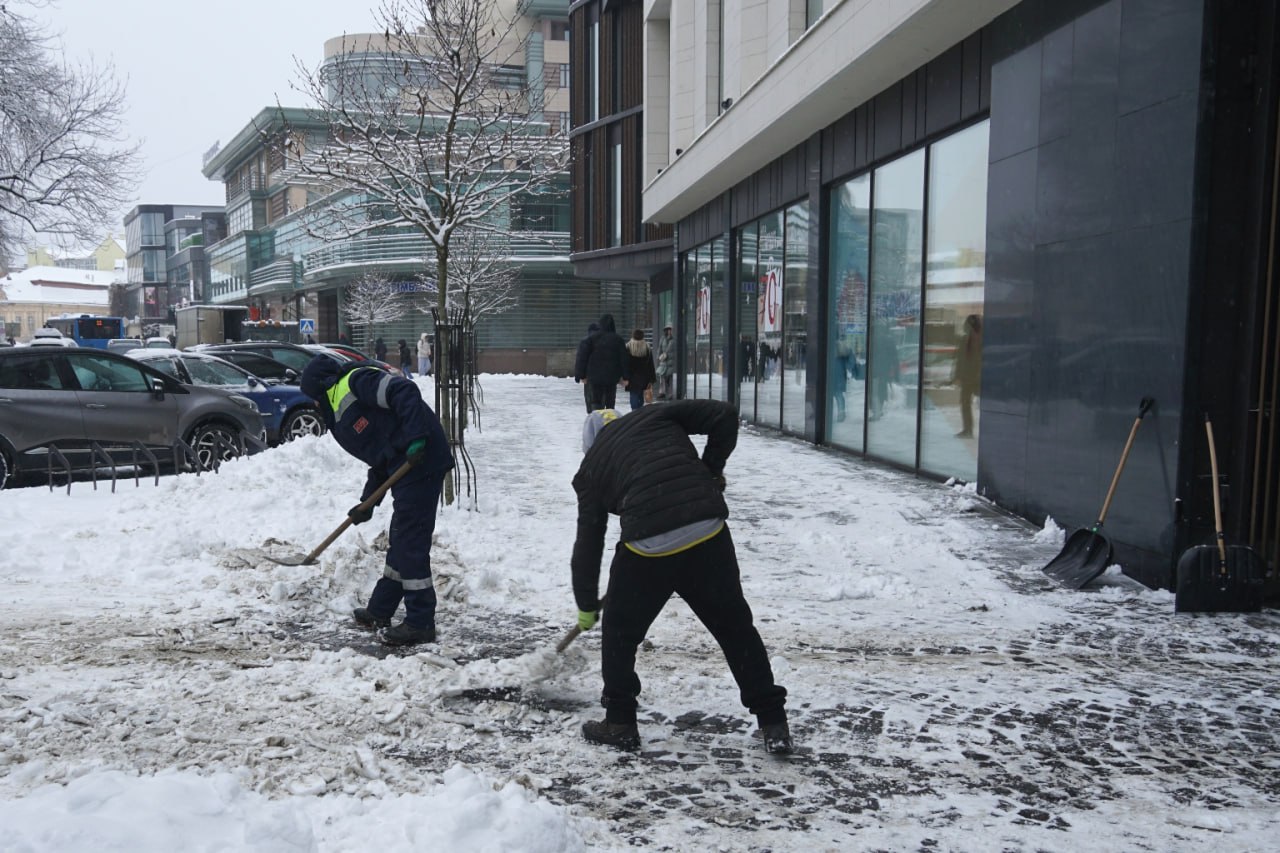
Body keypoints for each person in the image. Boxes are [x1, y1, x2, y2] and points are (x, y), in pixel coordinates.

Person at [570, 401, 792, 755]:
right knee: (735, 629)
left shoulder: (591, 468)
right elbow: (724, 415)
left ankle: (620, 722)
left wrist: (586, 604)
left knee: (620, 633)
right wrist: (711, 470)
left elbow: (589, 542)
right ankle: (774, 723)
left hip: (648, 547)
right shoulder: (654, 415)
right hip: (707, 529)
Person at [299, 356, 454, 646]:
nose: (313, 404)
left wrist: (416, 438)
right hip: (404, 465)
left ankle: (420, 623)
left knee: (409, 543)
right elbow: (381, 455)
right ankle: (380, 610)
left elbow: (403, 390)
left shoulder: (357, 382)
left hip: (422, 460)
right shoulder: (338, 413)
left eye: (312, 396)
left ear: (321, 387)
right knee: (402, 539)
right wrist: (368, 502)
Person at [574, 313, 628, 411]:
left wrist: (580, 375)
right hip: (612, 376)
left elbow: (582, 358)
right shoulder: (618, 340)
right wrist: (625, 377)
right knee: (610, 401)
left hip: (594, 376)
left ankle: (598, 417)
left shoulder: (591, 339)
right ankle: (610, 417)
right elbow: (624, 359)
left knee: (596, 401)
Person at [952, 314, 983, 438]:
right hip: (968, 378)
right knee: (965, 403)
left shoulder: (984, 340)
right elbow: (960, 360)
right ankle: (968, 430)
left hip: (979, 378)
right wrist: (957, 376)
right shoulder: (965, 340)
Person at [624, 329, 655, 411]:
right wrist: (652, 379)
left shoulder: (628, 347)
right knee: (640, 395)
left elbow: (625, 364)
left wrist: (624, 377)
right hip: (643, 377)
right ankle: (639, 411)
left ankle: (634, 412)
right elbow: (650, 365)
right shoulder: (647, 347)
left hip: (632, 377)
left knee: (633, 395)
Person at [573, 322, 599, 413]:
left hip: (589, 374)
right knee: (600, 397)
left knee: (589, 396)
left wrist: (580, 376)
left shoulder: (585, 341)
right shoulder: (604, 341)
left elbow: (581, 359)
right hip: (602, 374)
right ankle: (599, 412)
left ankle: (591, 413)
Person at [654, 325, 675, 401]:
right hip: (663, 361)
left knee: (669, 378)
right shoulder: (662, 338)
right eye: (668, 330)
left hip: (670, 362)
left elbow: (674, 351)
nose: (669, 331)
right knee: (662, 377)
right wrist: (659, 356)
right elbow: (659, 348)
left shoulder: (673, 339)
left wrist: (668, 355)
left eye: (670, 330)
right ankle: (662, 392)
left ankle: (670, 393)